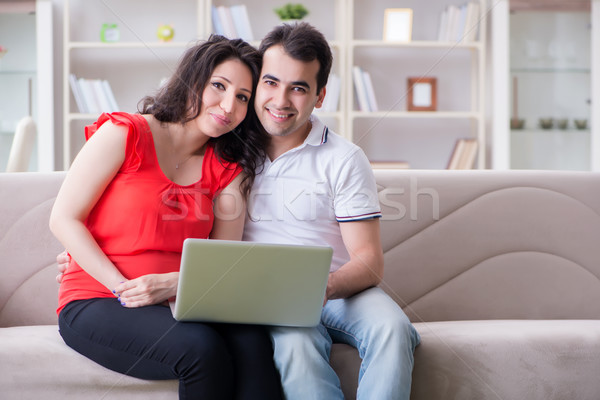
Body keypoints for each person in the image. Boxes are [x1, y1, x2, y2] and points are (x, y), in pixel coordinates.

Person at [50, 35, 282, 400]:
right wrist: (123, 289)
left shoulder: (228, 170)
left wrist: (173, 285)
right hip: (99, 298)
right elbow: (64, 218)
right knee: (200, 349)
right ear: (192, 81)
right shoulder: (124, 133)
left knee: (253, 341)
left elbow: (220, 263)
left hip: (181, 300)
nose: (228, 105)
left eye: (242, 97)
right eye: (218, 86)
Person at [242, 22, 421, 399]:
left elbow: (369, 260)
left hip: (339, 290)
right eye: (271, 83)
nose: (281, 100)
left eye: (299, 88)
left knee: (393, 328)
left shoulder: (344, 158)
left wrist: (324, 287)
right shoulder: (230, 151)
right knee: (295, 345)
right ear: (256, 84)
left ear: (320, 96)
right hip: (270, 295)